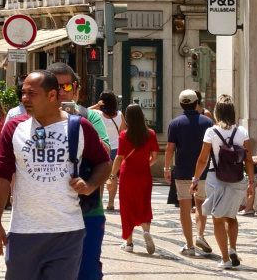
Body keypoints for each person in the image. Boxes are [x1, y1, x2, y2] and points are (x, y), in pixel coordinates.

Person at [0, 70, 111, 280]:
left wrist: (90, 185)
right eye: (23, 93)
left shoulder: (80, 126)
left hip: (67, 232)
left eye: (32, 93)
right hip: (23, 232)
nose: (25, 98)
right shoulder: (14, 127)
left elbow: (104, 162)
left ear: (52, 95)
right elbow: (1, 176)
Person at [189, 96, 253, 270]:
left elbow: (202, 159)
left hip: (215, 178)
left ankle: (225, 258)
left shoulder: (211, 132)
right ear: (233, 112)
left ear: (217, 112)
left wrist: (195, 180)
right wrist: (252, 183)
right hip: (238, 178)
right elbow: (248, 160)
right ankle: (232, 249)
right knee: (231, 217)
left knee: (217, 219)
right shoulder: (242, 132)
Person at [163, 89, 214, 257]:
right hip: (203, 171)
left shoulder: (175, 123)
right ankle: (200, 235)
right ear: (196, 102)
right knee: (200, 204)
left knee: (185, 207)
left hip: (183, 170)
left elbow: (169, 149)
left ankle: (190, 245)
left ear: (181, 104)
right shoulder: (207, 122)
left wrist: (166, 168)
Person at [109, 103, 158, 255]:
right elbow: (154, 157)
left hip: (127, 175)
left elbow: (119, 157)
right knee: (144, 204)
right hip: (144, 175)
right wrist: (145, 164)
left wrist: (112, 176)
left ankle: (129, 243)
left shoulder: (124, 135)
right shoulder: (151, 134)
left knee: (127, 207)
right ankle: (146, 232)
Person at [92, 92, 123, 211]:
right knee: (113, 176)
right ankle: (111, 203)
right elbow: (122, 132)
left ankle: (99, 201)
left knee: (101, 176)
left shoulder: (97, 114)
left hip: (103, 147)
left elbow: (80, 111)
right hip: (116, 148)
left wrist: (96, 106)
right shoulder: (120, 115)